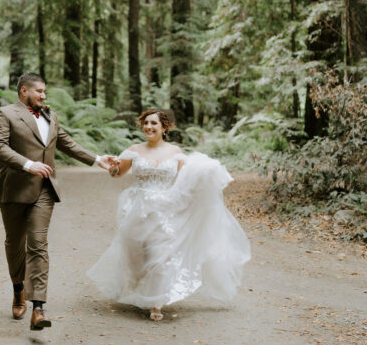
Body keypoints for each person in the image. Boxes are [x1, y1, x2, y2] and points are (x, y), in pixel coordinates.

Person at [87, 108, 250, 321]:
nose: (149, 127)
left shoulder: (175, 153)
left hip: (164, 210)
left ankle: (156, 303)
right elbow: (118, 174)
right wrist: (113, 168)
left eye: (154, 123)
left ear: (164, 127)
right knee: (134, 253)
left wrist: (204, 178)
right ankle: (139, 286)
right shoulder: (133, 150)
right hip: (137, 207)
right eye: (146, 123)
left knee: (160, 254)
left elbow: (185, 182)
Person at [0, 72, 116, 331]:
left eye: (45, 92)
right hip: (12, 190)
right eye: (39, 91)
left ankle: (38, 308)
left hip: (44, 190)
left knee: (38, 244)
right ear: (24, 91)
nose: (43, 96)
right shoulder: (3, 114)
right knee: (15, 244)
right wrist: (28, 164)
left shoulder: (50, 115)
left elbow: (67, 143)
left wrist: (96, 159)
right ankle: (18, 289)